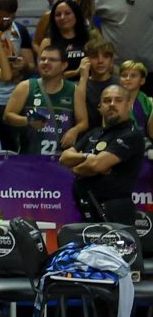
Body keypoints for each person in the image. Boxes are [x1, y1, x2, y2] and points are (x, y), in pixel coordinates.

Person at [62, 81, 148, 221]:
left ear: (129, 105)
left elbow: (96, 165)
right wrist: (87, 157)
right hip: (87, 206)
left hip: (115, 210)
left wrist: (77, 167)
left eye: (118, 100)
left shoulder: (131, 134)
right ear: (100, 107)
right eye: (107, 101)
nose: (112, 104)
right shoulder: (94, 133)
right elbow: (64, 158)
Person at [2, 41, 79, 155]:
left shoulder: (74, 90)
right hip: (29, 157)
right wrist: (27, 121)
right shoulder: (25, 87)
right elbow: (7, 116)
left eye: (52, 60)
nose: (46, 62)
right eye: (43, 59)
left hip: (62, 159)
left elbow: (83, 122)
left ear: (64, 65)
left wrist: (75, 130)